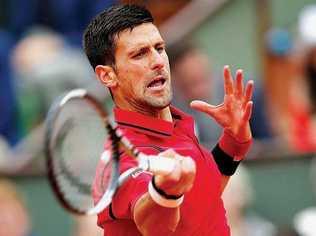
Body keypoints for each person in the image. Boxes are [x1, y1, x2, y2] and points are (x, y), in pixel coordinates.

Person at [83, 4, 254, 236]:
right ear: (107, 75)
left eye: (159, 48)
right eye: (139, 54)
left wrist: (233, 142)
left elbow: (201, 200)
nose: (158, 61)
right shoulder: (120, 161)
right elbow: (155, 225)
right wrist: (163, 191)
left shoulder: (176, 126)